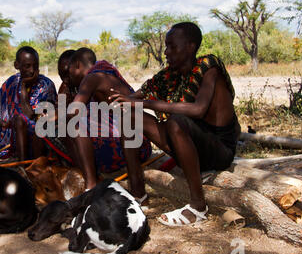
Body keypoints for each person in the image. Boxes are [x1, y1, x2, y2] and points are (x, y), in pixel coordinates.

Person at [110, 22, 241, 226]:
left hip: (219, 151)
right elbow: (136, 96)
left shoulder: (209, 67)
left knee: (175, 122)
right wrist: (122, 101)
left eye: (172, 46)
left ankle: (198, 206)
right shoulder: (170, 75)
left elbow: (198, 109)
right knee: (130, 115)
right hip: (189, 150)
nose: (166, 52)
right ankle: (138, 193)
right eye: (166, 46)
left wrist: (141, 102)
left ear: (190, 46)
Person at [66, 48, 152, 203]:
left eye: (69, 70)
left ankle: (91, 186)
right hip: (141, 144)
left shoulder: (92, 77)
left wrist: (56, 115)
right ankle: (137, 192)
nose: (68, 76)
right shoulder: (106, 72)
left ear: (77, 65)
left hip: (131, 146)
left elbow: (74, 111)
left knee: (74, 126)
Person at [0, 46, 57, 160]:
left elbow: (30, 118)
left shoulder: (45, 85)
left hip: (32, 139)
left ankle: (23, 166)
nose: (32, 70)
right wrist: (1, 123)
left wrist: (23, 89)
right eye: (27, 66)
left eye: (35, 66)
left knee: (19, 120)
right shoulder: (11, 82)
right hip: (4, 133)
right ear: (17, 65)